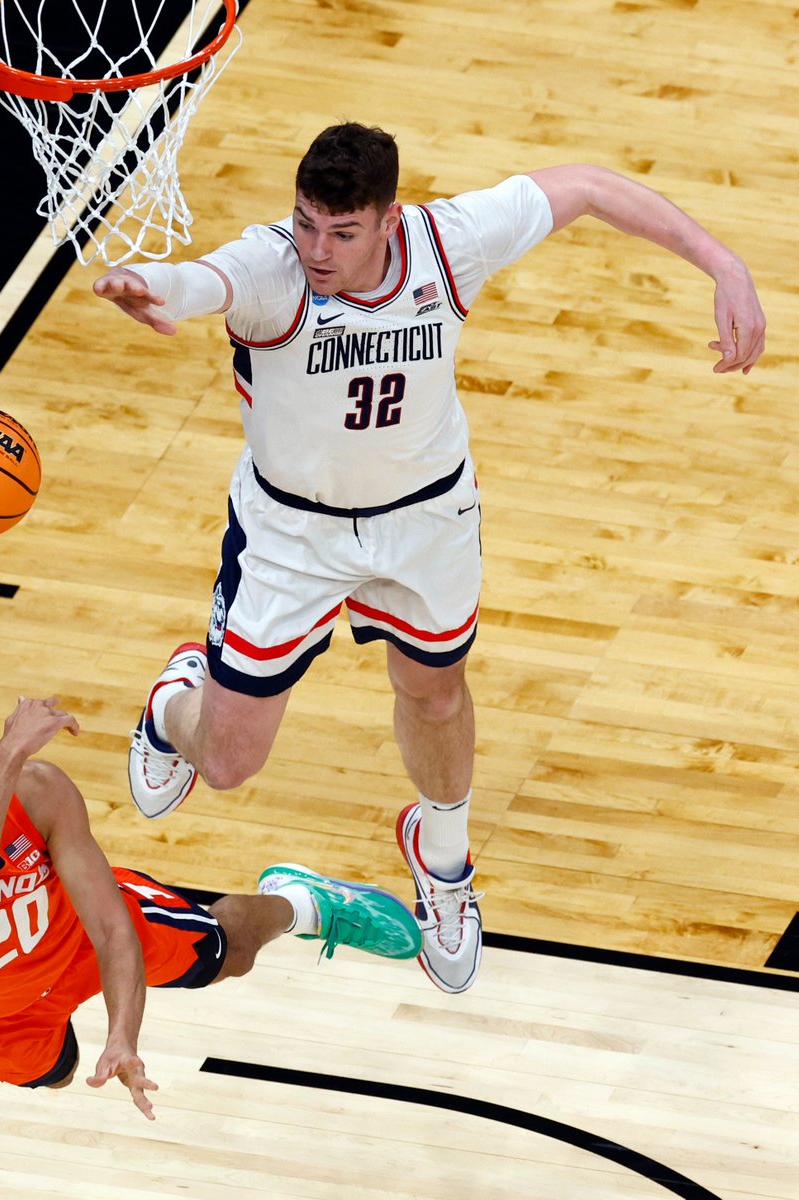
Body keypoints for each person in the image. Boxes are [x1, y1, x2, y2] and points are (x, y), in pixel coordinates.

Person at [91, 122, 766, 998]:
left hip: (425, 518)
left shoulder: (446, 244)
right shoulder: (273, 271)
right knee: (226, 765)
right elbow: (202, 278)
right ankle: (176, 699)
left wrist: (723, 263)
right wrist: (149, 286)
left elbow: (590, 185)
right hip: (294, 536)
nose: (318, 249)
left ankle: (441, 858)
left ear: (388, 221)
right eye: (305, 224)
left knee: (435, 689)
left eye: (341, 232)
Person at [0, 641, 421, 1118]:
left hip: (80, 942)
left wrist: (123, 1034)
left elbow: (113, 930)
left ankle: (304, 905)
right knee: (55, 1077)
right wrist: (9, 751)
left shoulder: (35, 790)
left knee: (229, 956)